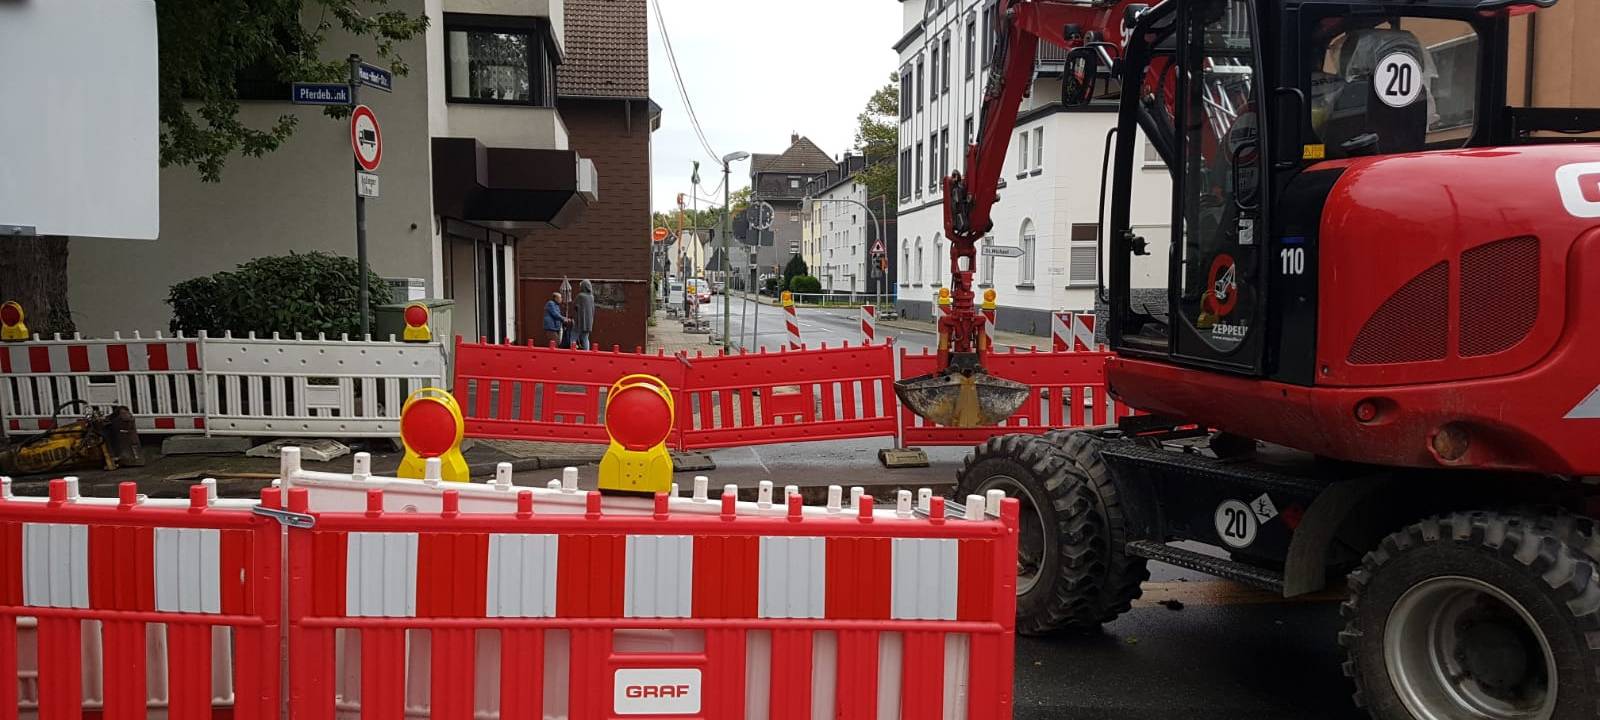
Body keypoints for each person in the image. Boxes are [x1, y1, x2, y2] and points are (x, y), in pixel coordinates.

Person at [574, 280, 596, 350]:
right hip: (589, 321)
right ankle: (586, 352)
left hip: (580, 320)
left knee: (573, 335)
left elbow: (575, 306)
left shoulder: (580, 296)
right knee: (585, 337)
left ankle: (572, 349)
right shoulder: (592, 297)